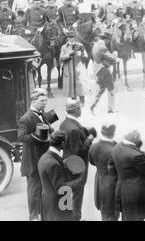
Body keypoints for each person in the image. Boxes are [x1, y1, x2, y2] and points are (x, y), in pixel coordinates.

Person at [17, 88, 54, 220]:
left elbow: (46, 126)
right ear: (34, 101)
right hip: (32, 160)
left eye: (45, 101)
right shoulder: (25, 118)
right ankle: (33, 216)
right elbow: (22, 137)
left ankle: (41, 213)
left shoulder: (41, 113)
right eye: (42, 101)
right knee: (34, 189)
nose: (44, 103)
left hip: (41, 158)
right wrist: (40, 137)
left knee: (42, 187)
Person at [59, 99, 95, 221]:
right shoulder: (74, 129)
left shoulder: (65, 123)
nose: (81, 110)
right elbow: (78, 151)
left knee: (69, 194)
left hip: (67, 164)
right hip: (77, 167)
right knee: (77, 196)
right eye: (79, 108)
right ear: (75, 110)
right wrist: (89, 139)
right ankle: (76, 218)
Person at [38, 130, 80, 221]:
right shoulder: (53, 164)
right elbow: (61, 189)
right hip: (58, 205)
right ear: (62, 144)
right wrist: (77, 182)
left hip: (47, 201)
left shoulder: (44, 157)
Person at [109, 130, 145, 221]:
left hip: (122, 189)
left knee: (127, 217)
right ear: (135, 139)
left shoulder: (116, 147)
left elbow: (111, 167)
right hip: (136, 193)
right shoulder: (136, 155)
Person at [88, 123, 119, 221]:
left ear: (101, 132)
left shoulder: (93, 147)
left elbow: (92, 162)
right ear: (113, 133)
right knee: (112, 214)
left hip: (99, 180)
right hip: (112, 183)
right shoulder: (115, 149)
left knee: (104, 212)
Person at [90, 32, 117, 114]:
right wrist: (115, 54)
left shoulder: (95, 45)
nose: (109, 42)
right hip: (104, 70)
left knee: (101, 89)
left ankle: (93, 105)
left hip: (96, 71)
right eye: (109, 40)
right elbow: (111, 58)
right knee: (112, 90)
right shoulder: (103, 47)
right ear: (106, 39)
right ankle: (110, 109)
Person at [59, 32, 87, 103]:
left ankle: (83, 104)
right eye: (69, 37)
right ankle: (74, 105)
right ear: (67, 38)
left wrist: (81, 54)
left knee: (81, 88)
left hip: (78, 70)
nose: (71, 39)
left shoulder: (80, 45)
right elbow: (61, 58)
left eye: (73, 37)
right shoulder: (64, 47)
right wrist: (69, 54)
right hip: (69, 70)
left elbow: (86, 56)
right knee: (72, 90)